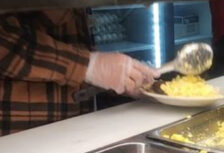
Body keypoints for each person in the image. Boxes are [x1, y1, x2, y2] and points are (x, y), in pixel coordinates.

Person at [0, 9, 157, 136]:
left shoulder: (75, 4)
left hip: (71, 136)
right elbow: (6, 46)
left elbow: (72, 64)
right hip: (15, 141)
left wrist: (122, 81)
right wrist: (90, 65)